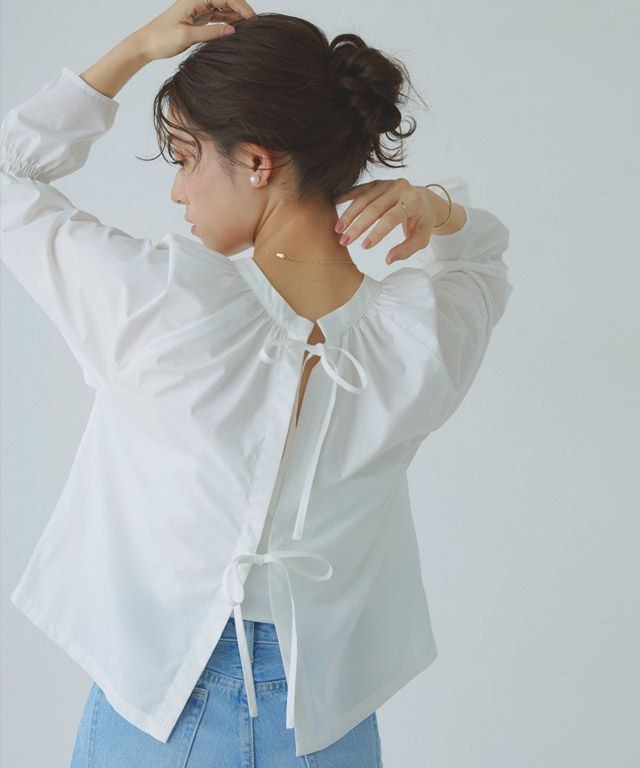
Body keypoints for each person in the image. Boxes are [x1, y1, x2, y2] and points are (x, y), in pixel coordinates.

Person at [1, 2, 514, 766]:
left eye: (185, 158)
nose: (177, 192)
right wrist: (433, 209)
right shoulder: (420, 337)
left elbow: (9, 172)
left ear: (256, 162)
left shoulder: (162, 301)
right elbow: (482, 256)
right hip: (329, 724)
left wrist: (139, 48)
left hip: (165, 707)